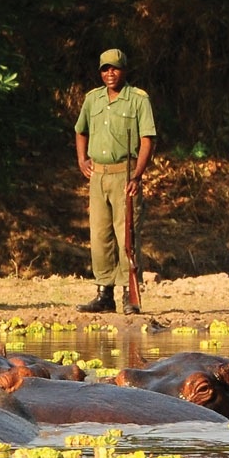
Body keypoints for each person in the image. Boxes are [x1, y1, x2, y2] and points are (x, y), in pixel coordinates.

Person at [74, 47, 156, 314]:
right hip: (98, 176)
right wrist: (82, 160)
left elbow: (148, 140)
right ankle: (104, 293)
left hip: (125, 175)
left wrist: (137, 175)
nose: (110, 73)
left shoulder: (138, 100)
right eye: (105, 69)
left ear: (124, 70)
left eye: (115, 68)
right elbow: (80, 130)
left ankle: (128, 295)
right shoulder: (92, 99)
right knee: (99, 236)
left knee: (127, 235)